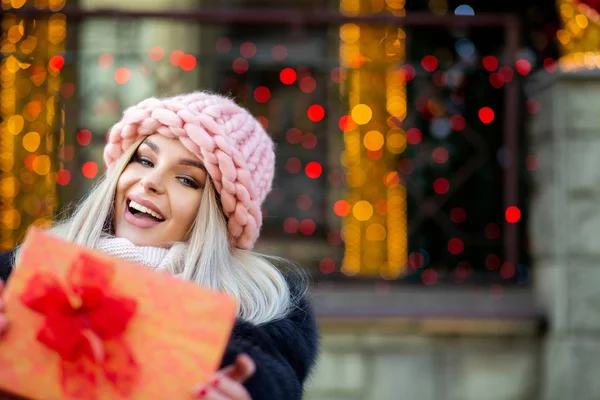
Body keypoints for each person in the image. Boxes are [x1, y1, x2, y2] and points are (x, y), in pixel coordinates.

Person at [0, 92, 319, 400]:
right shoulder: (18, 274)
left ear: (219, 217)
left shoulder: (261, 322)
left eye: (187, 180)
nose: (151, 181)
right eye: (144, 160)